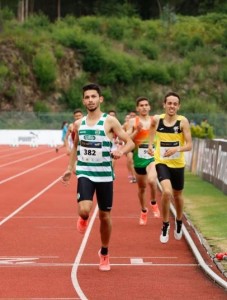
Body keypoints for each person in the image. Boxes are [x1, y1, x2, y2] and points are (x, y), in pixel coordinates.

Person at [61, 83, 134, 271]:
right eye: (87, 97)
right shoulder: (79, 124)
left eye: (94, 96)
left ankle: (104, 253)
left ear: (100, 99)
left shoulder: (110, 121)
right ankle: (83, 218)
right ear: (83, 100)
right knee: (84, 210)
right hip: (85, 171)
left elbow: (130, 142)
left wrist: (120, 151)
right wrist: (70, 168)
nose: (90, 100)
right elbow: (75, 146)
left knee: (105, 216)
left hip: (104, 175)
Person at [148, 92, 192, 243]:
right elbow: (152, 132)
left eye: (175, 104)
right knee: (167, 192)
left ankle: (179, 221)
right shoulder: (157, 119)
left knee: (178, 195)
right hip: (162, 161)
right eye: (169, 103)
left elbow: (189, 145)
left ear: (178, 106)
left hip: (178, 163)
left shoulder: (182, 122)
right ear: (164, 105)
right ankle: (165, 224)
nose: (172, 106)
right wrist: (149, 146)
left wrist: (176, 149)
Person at [127, 97, 160, 225]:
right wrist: (137, 131)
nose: (144, 107)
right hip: (138, 159)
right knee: (142, 188)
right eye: (141, 105)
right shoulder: (132, 122)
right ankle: (143, 210)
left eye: (146, 105)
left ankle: (153, 202)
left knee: (152, 180)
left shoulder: (155, 121)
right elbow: (127, 139)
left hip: (152, 157)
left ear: (150, 107)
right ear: (137, 108)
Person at [122, 113, 137, 183]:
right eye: (131, 116)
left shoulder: (139, 123)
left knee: (136, 162)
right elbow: (121, 132)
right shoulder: (126, 124)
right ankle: (134, 176)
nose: (132, 117)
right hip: (129, 145)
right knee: (130, 160)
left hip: (137, 145)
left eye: (134, 116)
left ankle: (138, 174)